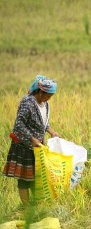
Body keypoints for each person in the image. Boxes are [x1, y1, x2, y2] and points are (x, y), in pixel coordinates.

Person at [3, 75, 59, 206]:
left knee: (36, 177)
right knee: (24, 179)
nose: (49, 98)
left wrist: (52, 132)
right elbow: (19, 125)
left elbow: (43, 123)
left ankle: (36, 204)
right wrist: (31, 138)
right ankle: (26, 208)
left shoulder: (45, 104)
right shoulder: (28, 103)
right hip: (24, 147)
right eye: (47, 95)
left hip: (37, 147)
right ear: (40, 91)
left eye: (51, 96)